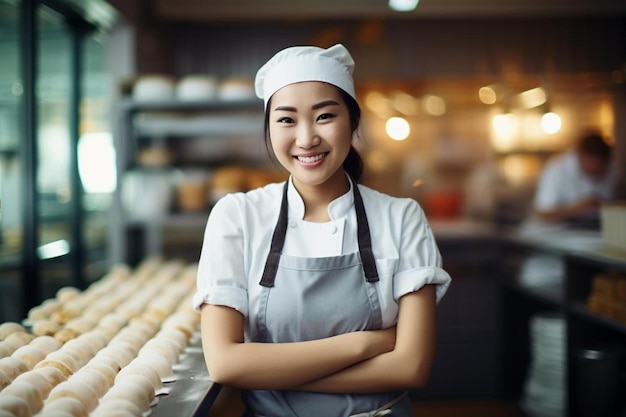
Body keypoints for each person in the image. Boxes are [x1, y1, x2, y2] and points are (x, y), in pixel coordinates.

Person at [193, 44, 451, 417]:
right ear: (268, 127)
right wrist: (365, 345)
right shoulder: (237, 217)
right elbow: (225, 365)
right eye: (286, 120)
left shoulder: (402, 217)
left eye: (324, 116)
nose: (306, 138)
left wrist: (269, 372)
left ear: (353, 120)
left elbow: (411, 367)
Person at [529, 131, 615, 229]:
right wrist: (579, 209)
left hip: (595, 228)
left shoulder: (612, 167)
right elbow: (542, 214)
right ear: (579, 156)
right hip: (558, 232)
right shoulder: (557, 168)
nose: (595, 173)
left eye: (599, 171)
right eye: (590, 169)